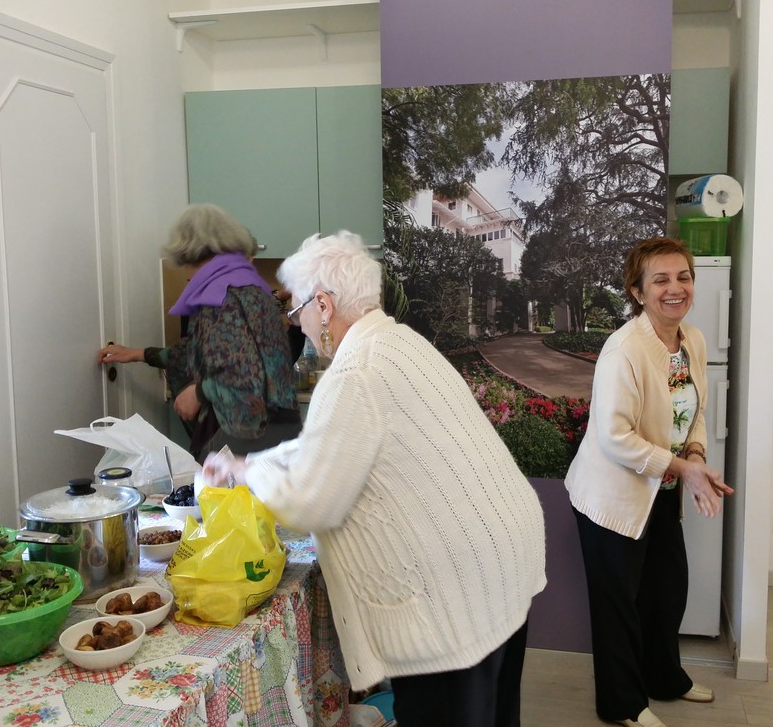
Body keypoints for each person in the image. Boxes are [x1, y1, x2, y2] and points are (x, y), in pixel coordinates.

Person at [201, 230, 546, 727]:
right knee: (494, 712)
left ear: (323, 304)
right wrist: (252, 465)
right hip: (501, 561)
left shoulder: (353, 373)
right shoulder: (399, 341)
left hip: (457, 594)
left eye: (298, 313)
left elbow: (309, 502)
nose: (300, 326)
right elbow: (327, 445)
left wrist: (250, 475)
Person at [565, 237, 734, 727]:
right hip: (611, 496)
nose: (675, 288)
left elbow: (695, 412)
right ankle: (622, 705)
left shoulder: (692, 341)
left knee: (666, 590)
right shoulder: (624, 350)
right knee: (618, 604)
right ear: (638, 292)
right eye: (660, 279)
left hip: (658, 489)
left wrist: (697, 455)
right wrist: (684, 469)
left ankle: (665, 679)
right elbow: (615, 437)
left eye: (683, 277)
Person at [98, 204, 298, 460]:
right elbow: (200, 350)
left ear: (188, 248)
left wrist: (197, 392)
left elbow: (243, 376)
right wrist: (137, 354)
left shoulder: (223, 294)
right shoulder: (247, 284)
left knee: (220, 498)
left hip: (250, 436)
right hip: (275, 431)